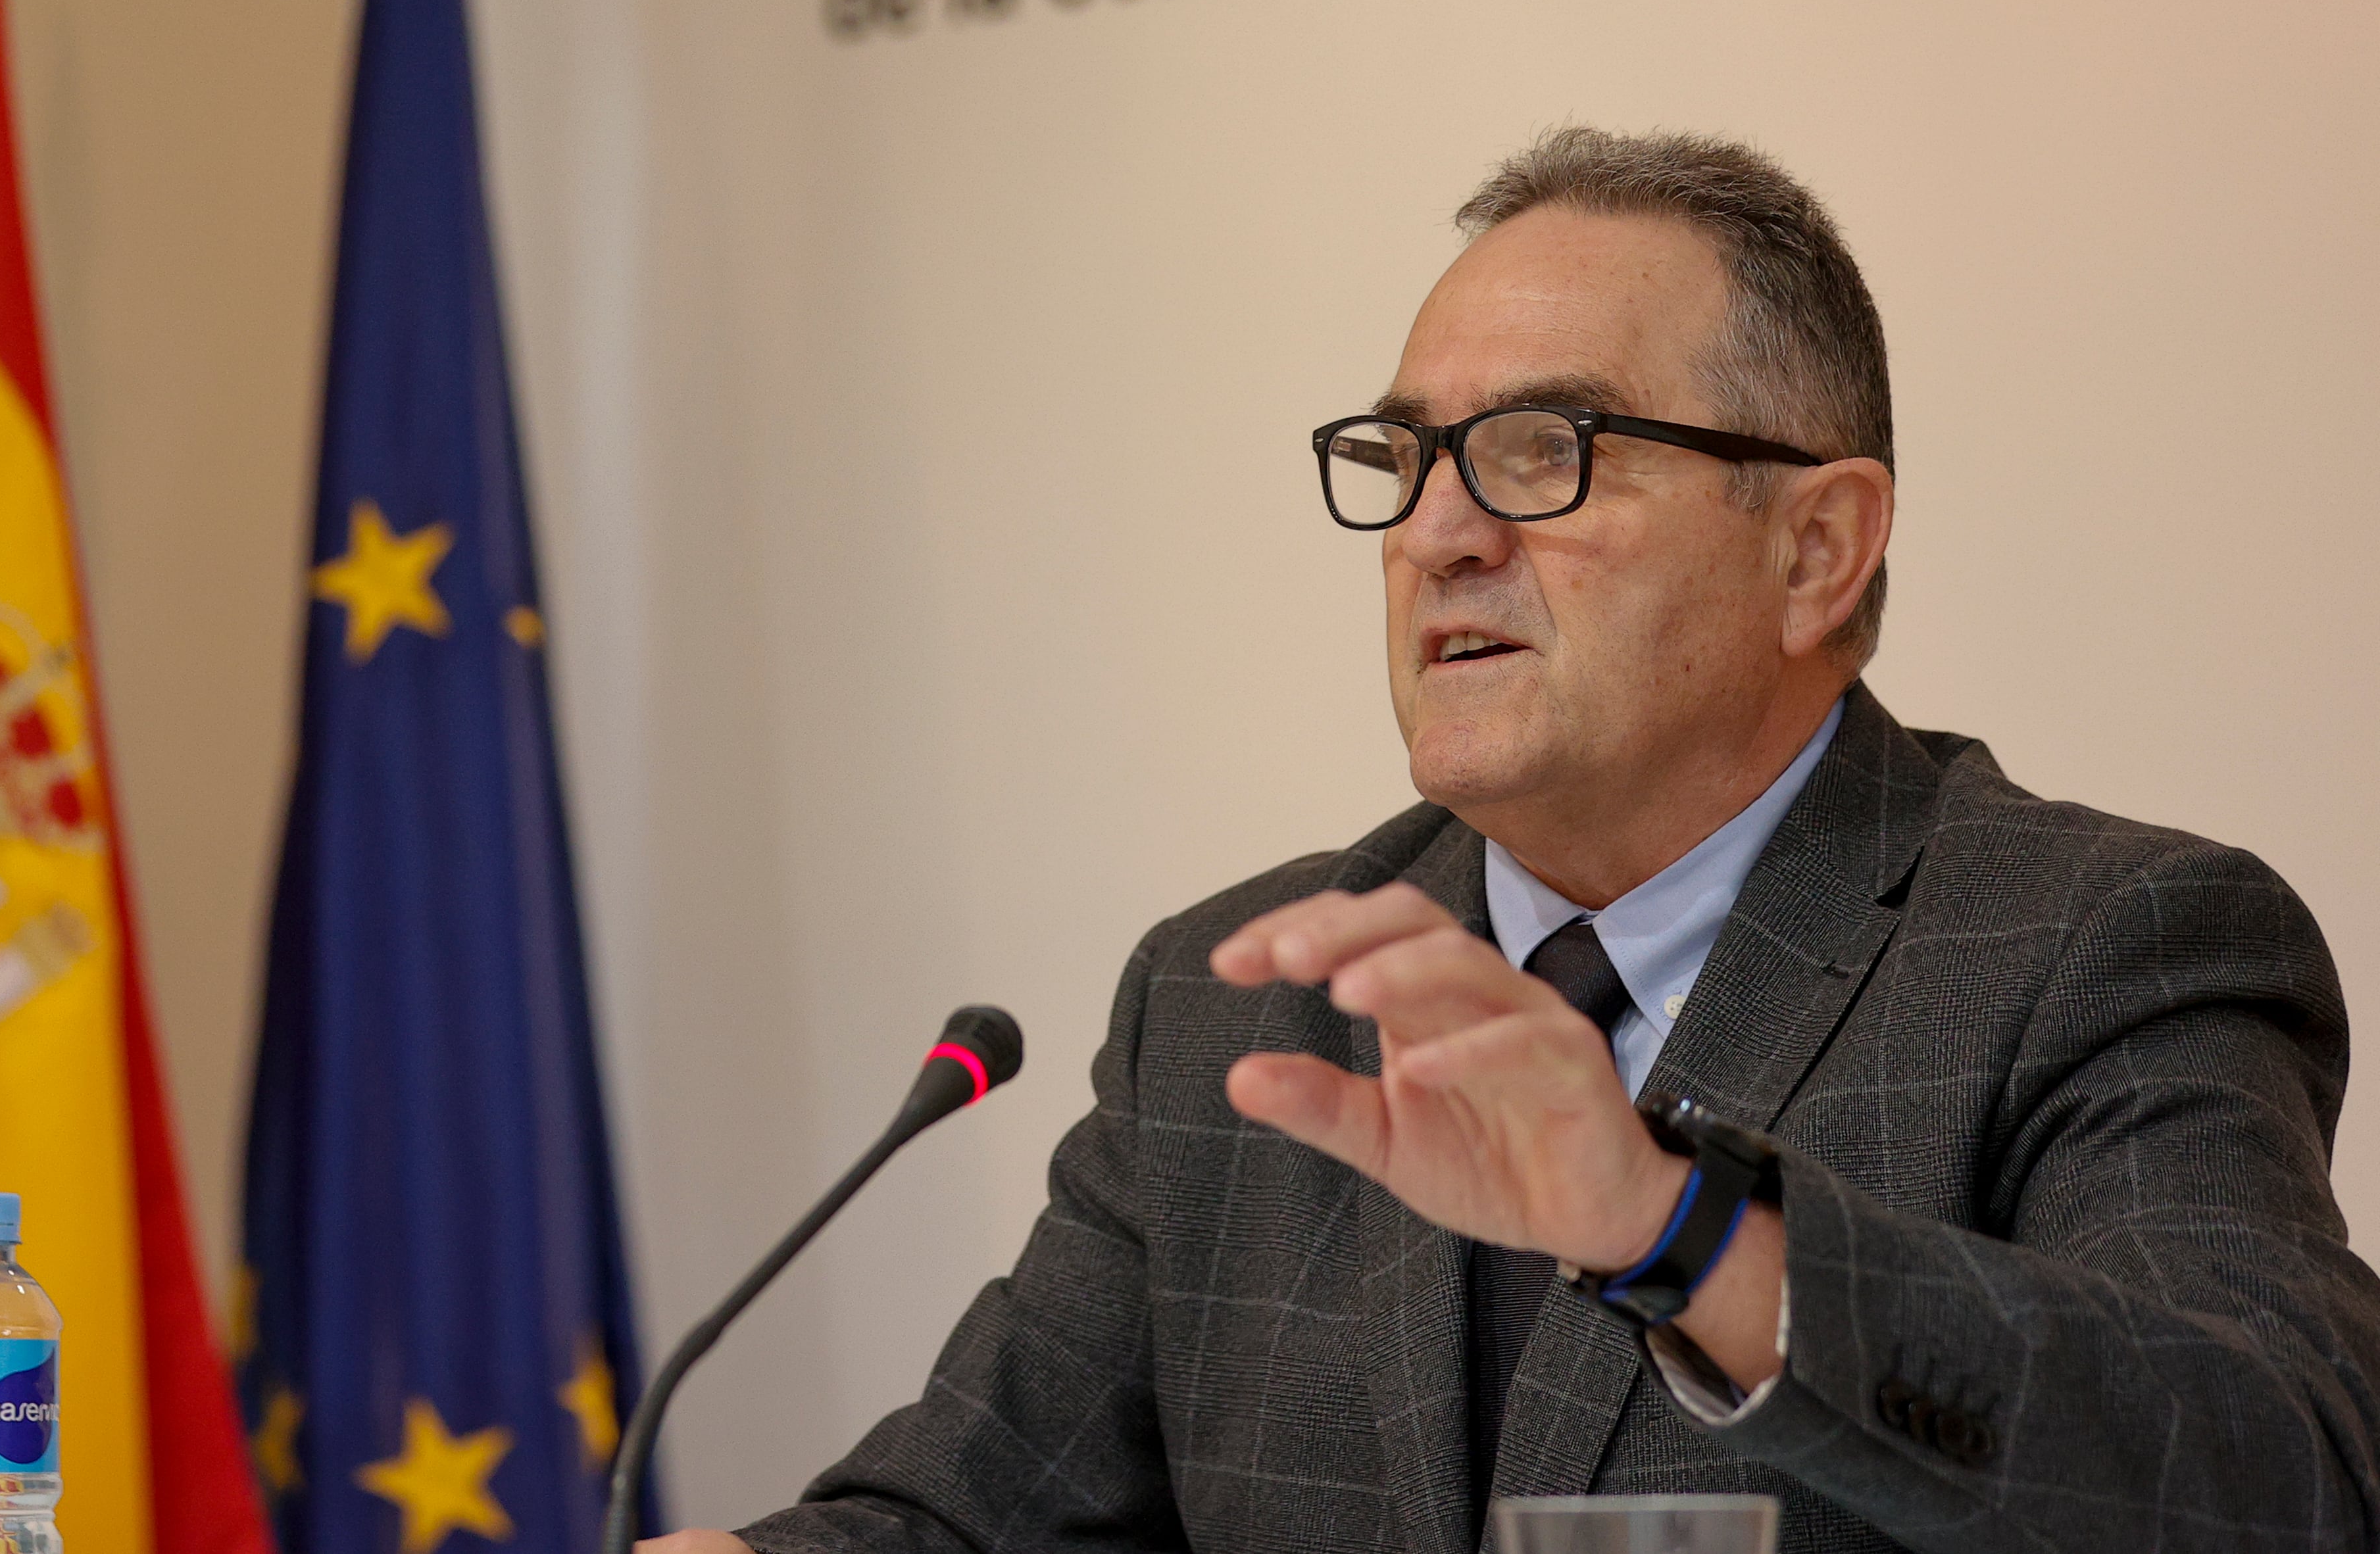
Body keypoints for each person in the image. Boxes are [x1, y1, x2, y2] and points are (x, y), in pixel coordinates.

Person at [649, 127, 2380, 1553]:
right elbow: (973, 1522)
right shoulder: (1237, 1001)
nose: (1439, 533)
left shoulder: (2103, 948)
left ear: (1818, 550)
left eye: (1545, 452)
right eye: (1401, 458)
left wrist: (1681, 1233)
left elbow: (2278, 1489)